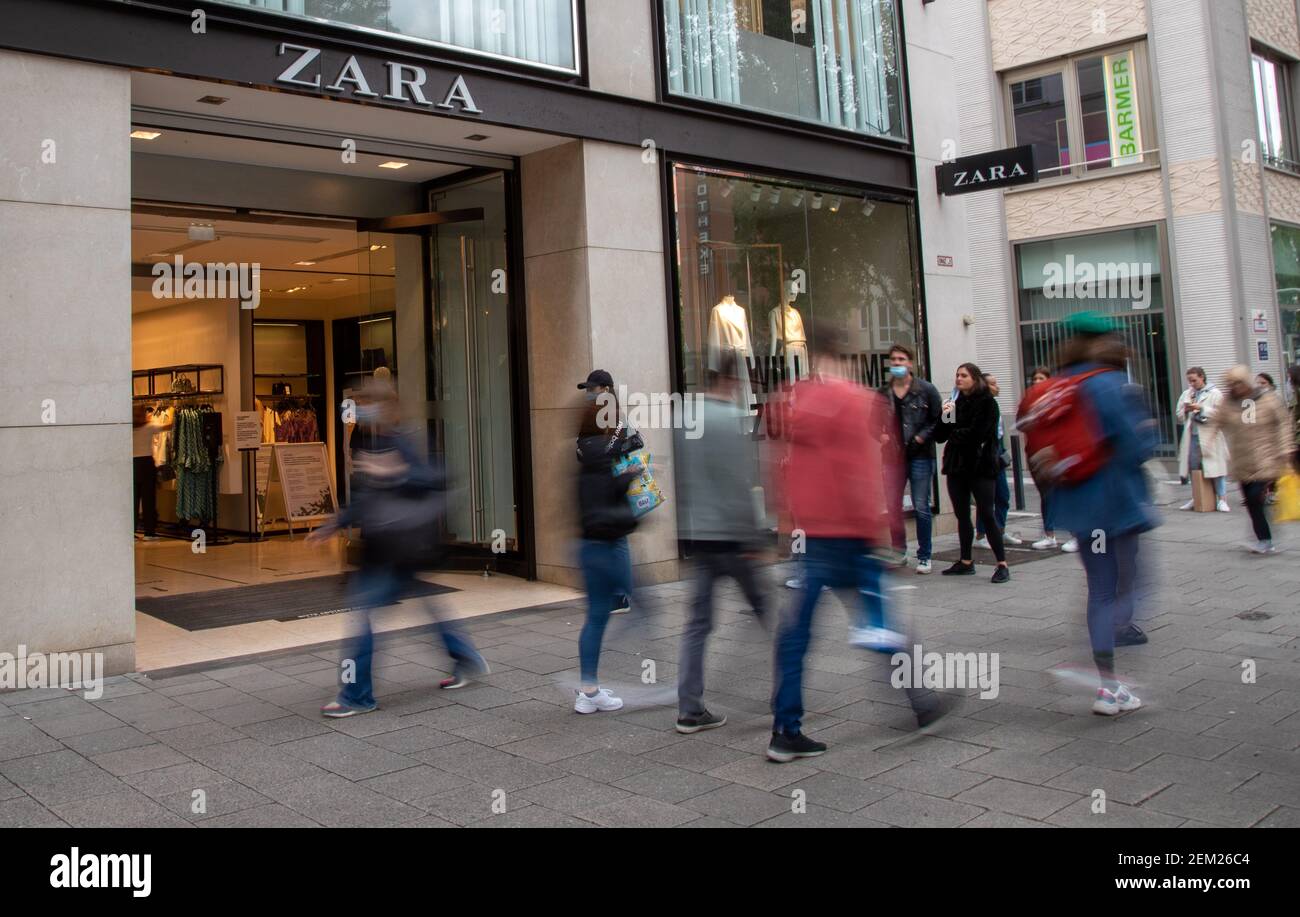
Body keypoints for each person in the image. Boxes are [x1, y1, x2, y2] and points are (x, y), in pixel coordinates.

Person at [768, 328, 940, 763]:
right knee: (879, 621)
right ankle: (920, 699)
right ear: (845, 360)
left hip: (812, 537)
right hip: (850, 535)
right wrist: (881, 535)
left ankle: (786, 728)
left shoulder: (791, 400)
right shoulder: (860, 401)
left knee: (795, 635)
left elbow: (781, 467)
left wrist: (787, 524)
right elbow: (862, 471)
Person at [312, 377, 489, 717]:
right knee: (423, 605)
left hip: (399, 546)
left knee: (363, 614)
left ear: (386, 407)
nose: (361, 410)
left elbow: (434, 478)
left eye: (367, 404)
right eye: (360, 404)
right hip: (388, 546)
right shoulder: (371, 441)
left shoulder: (402, 440)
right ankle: (466, 657)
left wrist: (395, 472)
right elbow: (367, 496)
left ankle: (357, 695)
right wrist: (335, 523)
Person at [1048, 312, 1159, 713]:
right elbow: (1139, 448)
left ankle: (1107, 685)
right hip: (1118, 504)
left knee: (1099, 588)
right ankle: (1112, 646)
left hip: (1078, 506)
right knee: (1133, 584)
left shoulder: (1060, 385)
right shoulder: (1112, 384)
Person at [674, 354, 769, 734]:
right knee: (766, 613)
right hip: (731, 538)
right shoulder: (730, 421)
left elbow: (682, 482)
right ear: (731, 381)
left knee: (697, 624)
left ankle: (689, 707)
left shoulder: (687, 420)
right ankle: (785, 694)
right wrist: (754, 536)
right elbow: (738, 484)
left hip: (700, 538)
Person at [573, 369, 643, 714]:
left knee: (597, 615)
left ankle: (588, 689)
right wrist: (630, 473)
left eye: (592, 390)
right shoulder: (606, 445)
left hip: (589, 541)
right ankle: (668, 686)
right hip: (611, 539)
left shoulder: (584, 445)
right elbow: (613, 480)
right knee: (642, 607)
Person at [933, 363, 1010, 583]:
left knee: (987, 513)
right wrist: (944, 416)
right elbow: (940, 435)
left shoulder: (987, 403)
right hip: (957, 466)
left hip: (981, 467)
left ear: (975, 379)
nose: (959, 379)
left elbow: (978, 435)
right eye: (957, 375)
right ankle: (965, 561)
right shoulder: (953, 404)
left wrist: (956, 433)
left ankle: (1002, 564)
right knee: (962, 514)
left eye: (964, 375)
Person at [1209, 366, 1292, 554]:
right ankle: (1264, 538)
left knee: (1255, 498)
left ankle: (1265, 539)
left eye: (1239, 383)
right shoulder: (1228, 403)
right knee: (1250, 501)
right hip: (1242, 460)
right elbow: (1217, 421)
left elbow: (1283, 424)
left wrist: (1286, 448)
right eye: (1232, 384)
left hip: (1265, 458)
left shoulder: (1267, 399)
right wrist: (1208, 442)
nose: (1236, 387)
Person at [879, 343, 943, 574]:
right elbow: (871, 422)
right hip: (891, 457)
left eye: (901, 359)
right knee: (892, 506)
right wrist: (881, 435)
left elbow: (938, 420)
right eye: (893, 360)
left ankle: (924, 555)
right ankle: (898, 553)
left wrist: (921, 438)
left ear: (910, 363)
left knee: (921, 506)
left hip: (920, 455)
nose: (896, 363)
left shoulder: (925, 390)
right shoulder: (883, 392)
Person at [1024, 367, 1077, 552]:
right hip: (1036, 456)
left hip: (1055, 455)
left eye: (1041, 378)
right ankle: (1049, 535)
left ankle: (1075, 535)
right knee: (1046, 497)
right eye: (1035, 379)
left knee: (1063, 495)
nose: (1037, 382)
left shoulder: (1057, 401)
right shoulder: (1029, 402)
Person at [975, 373, 1024, 548]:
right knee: (986, 498)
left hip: (997, 453)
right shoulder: (979, 406)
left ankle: (1000, 531)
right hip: (984, 456)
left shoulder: (995, 404)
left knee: (1002, 496)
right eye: (993, 384)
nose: (997, 387)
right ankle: (981, 536)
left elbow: (999, 434)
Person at [1176, 367, 1230, 512]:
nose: (1192, 383)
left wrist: (1202, 408)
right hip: (1192, 435)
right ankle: (1197, 497)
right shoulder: (1187, 394)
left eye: (1194, 380)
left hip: (1211, 435)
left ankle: (1222, 499)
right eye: (1189, 381)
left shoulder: (1215, 393)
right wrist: (1185, 411)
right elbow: (1179, 414)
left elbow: (1222, 414)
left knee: (1216, 468)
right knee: (1195, 468)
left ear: (1202, 377)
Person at [132, 403, 172, 541]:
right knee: (148, 499)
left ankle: (132, 531)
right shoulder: (149, 427)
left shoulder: (128, 429)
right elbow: (168, 426)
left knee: (133, 500)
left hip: (132, 465)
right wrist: (172, 410)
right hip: (146, 464)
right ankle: (149, 532)